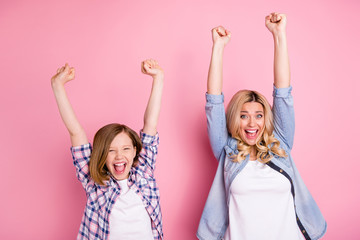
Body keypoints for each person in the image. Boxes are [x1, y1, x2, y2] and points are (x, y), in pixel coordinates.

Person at [197, 13, 327, 240]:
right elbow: (214, 102)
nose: (252, 123)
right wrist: (218, 47)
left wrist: (279, 35)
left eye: (258, 115)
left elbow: (283, 93)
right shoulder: (227, 151)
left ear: (266, 119)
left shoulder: (281, 144)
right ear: (233, 120)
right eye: (243, 116)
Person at [51, 59, 164, 239]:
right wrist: (58, 86)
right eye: (111, 150)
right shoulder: (95, 183)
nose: (119, 155)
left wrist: (158, 78)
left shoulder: (144, 171)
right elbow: (76, 131)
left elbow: (150, 122)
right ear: (102, 155)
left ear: (135, 151)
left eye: (126, 148)